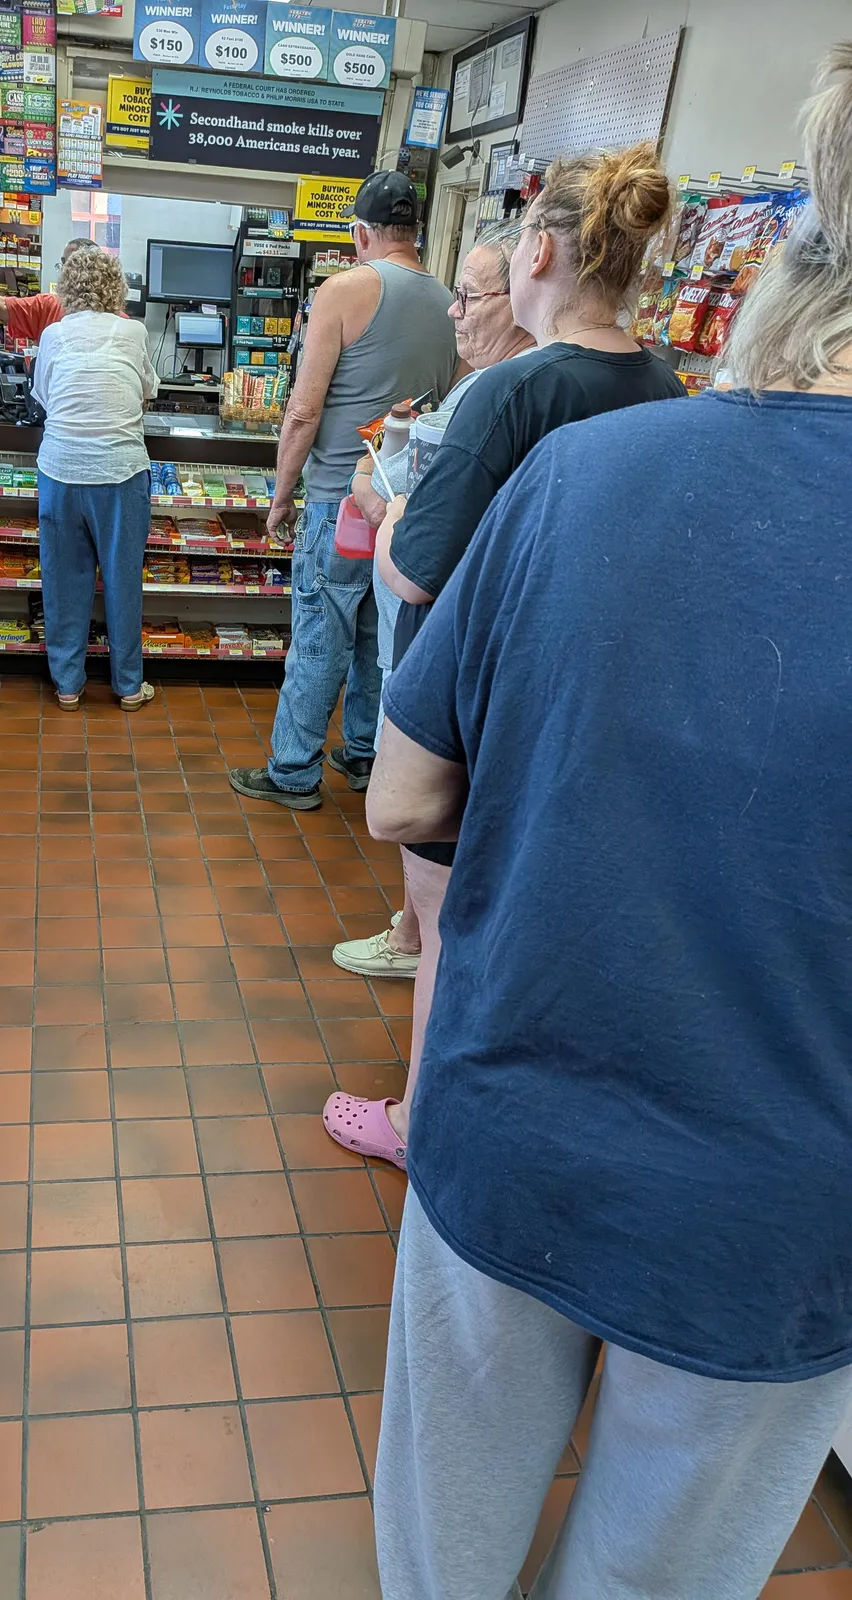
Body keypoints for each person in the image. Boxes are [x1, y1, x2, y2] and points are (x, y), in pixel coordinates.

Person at [370, 42, 852, 1600]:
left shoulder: (587, 471)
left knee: (441, 1558)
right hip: (781, 1220)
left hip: (513, 1116)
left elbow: (406, 791)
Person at [323, 141, 687, 1169]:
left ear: (536, 251)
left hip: (477, 705)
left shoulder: (509, 393)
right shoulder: (661, 382)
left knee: (441, 920)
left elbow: (418, 574)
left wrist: (388, 506)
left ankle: (421, 1123)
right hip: (587, 699)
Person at [331, 225, 536, 983]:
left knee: (415, 805)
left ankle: (417, 939)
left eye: (471, 295)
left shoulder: (495, 392)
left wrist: (383, 502)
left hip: (435, 637)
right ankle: (413, 926)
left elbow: (410, 551)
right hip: (464, 642)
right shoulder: (500, 384)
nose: (454, 312)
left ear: (529, 287)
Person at [228, 171, 458, 811]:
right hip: (406, 505)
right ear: (414, 232)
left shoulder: (344, 290)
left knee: (319, 634)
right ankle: (363, 754)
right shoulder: (451, 301)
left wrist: (280, 498)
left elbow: (303, 411)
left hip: (338, 500)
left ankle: (292, 771)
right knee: (375, 639)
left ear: (360, 232)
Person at [32, 245, 158, 712]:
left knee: (64, 581)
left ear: (66, 288)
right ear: (115, 287)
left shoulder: (53, 335)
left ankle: (68, 685)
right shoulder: (134, 331)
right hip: (121, 471)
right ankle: (128, 686)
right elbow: (147, 387)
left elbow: (44, 394)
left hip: (61, 470)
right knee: (123, 578)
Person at [0, 237, 100, 343]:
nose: (62, 269)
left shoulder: (52, 305)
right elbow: (3, 306)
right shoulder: (48, 305)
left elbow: (1, 307)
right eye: (62, 263)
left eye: (68, 263)